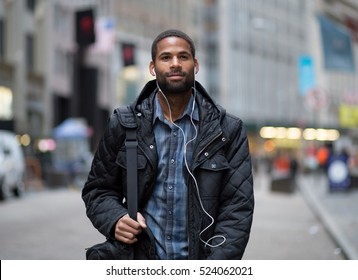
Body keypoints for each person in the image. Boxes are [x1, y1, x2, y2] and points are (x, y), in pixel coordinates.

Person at [82, 29, 254, 260]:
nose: (175, 64)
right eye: (166, 57)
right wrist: (115, 218)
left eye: (183, 57)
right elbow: (98, 189)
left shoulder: (227, 130)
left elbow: (237, 209)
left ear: (196, 65)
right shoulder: (124, 124)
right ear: (152, 68)